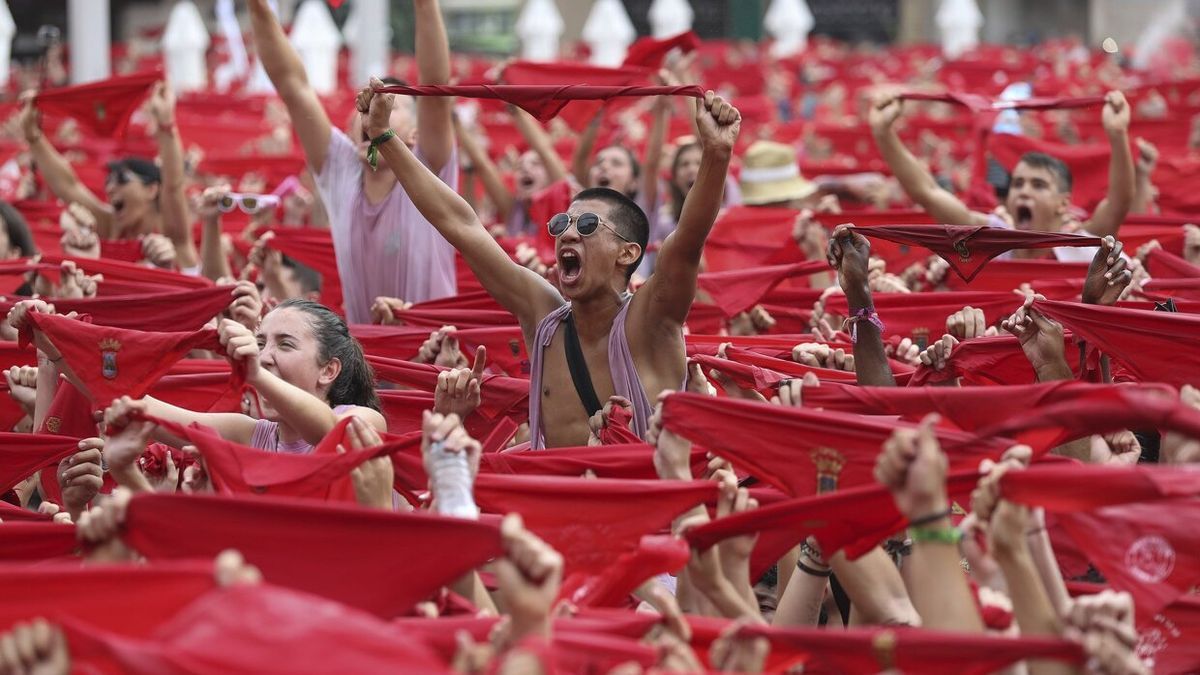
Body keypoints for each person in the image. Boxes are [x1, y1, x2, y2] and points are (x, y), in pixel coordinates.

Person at [358, 78, 741, 448]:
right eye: (561, 224)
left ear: (628, 253)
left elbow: (688, 239)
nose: (568, 234)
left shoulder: (652, 318)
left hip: (645, 492)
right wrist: (383, 136)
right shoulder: (543, 316)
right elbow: (461, 225)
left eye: (587, 225)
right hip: (554, 491)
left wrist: (717, 153)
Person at [247, 0, 458, 323]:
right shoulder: (342, 171)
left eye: (389, 105)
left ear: (416, 133)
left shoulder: (430, 167)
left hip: (437, 353)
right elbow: (293, 86)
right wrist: (258, 7)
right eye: (366, 104)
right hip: (364, 354)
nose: (373, 110)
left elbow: (435, 89)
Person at [10, 298, 384, 455]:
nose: (265, 356)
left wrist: (254, 373)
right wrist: (54, 346)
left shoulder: (366, 421)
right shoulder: (251, 434)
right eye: (259, 343)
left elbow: (329, 433)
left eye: (284, 345)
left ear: (328, 370)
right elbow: (131, 401)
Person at [869, 90, 1135, 261]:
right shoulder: (990, 240)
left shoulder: (1082, 249)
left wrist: (1117, 134)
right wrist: (883, 133)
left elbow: (1118, 203)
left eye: (1038, 185)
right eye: (1018, 183)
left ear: (1063, 203)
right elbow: (928, 193)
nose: (1023, 191)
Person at [18, 82, 197, 271]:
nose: (110, 189)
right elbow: (69, 187)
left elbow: (173, 184)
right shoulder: (109, 226)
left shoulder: (173, 233)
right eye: (108, 182)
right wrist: (33, 135)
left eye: (122, 180)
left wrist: (166, 123)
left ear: (152, 189)